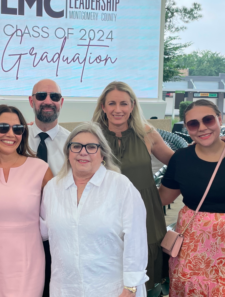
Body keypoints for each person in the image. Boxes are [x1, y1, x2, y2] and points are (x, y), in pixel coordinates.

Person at [158, 99, 225, 296]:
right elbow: (163, 198)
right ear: (187, 128)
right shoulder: (181, 159)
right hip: (193, 247)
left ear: (220, 120)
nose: (202, 128)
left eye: (208, 120)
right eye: (193, 123)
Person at [40, 122, 148, 297]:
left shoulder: (121, 186)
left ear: (103, 153)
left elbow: (136, 240)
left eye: (91, 147)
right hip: (66, 288)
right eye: (76, 146)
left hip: (112, 289)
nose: (83, 152)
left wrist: (131, 287)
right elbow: (44, 231)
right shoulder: (53, 188)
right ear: (68, 153)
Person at [91, 81, 174, 290]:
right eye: (111, 103)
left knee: (145, 277)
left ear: (133, 105)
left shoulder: (147, 133)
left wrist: (217, 146)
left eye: (123, 104)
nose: (117, 110)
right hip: (105, 211)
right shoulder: (92, 136)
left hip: (145, 211)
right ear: (103, 106)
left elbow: (178, 163)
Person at [0, 105, 54, 297]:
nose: (11, 134)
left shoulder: (40, 169)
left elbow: (55, 220)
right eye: (3, 127)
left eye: (18, 129)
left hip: (27, 264)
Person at [26, 79, 70, 297]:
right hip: (22, 232)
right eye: (41, 96)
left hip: (60, 233)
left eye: (54, 97)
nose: (47, 101)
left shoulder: (73, 144)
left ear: (61, 102)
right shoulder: (14, 138)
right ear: (31, 101)